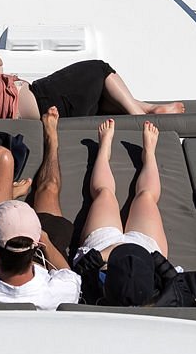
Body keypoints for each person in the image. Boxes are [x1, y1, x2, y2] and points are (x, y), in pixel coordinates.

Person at [69, 118, 172, 307]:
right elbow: (173, 278)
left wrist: (107, 254)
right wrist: (149, 258)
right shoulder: (163, 299)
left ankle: (103, 150)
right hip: (146, 255)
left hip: (103, 250)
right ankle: (149, 155)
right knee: (146, 197)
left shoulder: (89, 294)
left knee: (105, 194)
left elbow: (77, 271)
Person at [0, 57, 186, 120]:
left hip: (41, 103)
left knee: (101, 99)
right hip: (44, 100)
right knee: (99, 69)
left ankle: (149, 107)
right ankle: (140, 116)